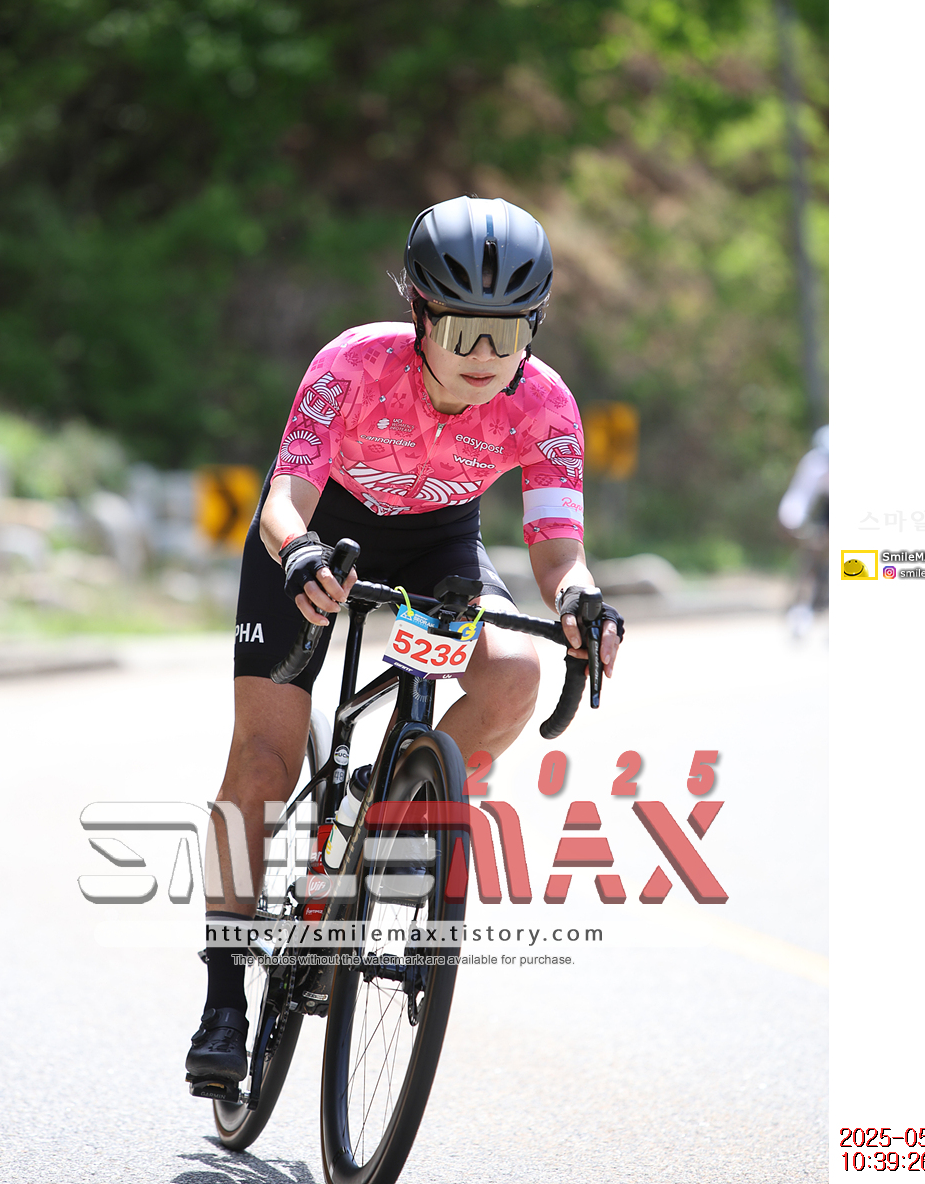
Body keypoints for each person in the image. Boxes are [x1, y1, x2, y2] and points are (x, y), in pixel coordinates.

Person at [186, 196, 623, 1089]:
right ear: (420, 313)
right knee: (264, 759)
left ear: (535, 330)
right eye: (462, 329)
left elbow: (558, 551)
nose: (484, 355)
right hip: (316, 538)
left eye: (509, 333)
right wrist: (299, 553)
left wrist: (582, 601)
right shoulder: (353, 362)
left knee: (513, 671)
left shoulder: (545, 403)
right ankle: (225, 994)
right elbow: (285, 499)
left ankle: (392, 813)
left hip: (436, 550)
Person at [778, 425, 829, 636]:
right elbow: (800, 494)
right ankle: (801, 611)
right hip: (822, 511)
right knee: (810, 558)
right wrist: (794, 521)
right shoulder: (815, 463)